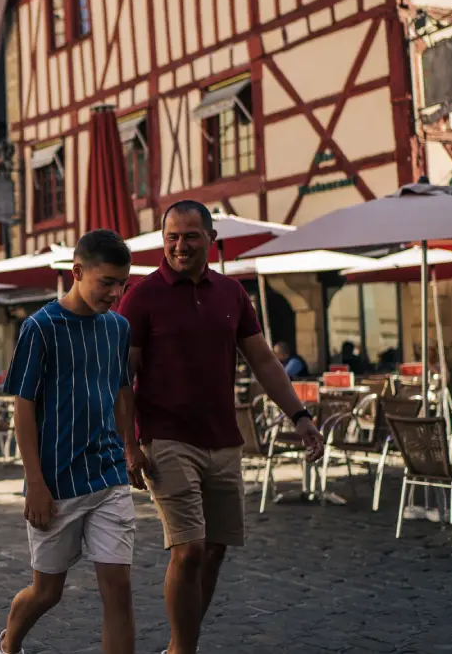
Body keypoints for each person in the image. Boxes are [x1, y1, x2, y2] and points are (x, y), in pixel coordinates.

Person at [118, 201, 324, 654]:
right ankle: (183, 651)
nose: (179, 245)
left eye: (190, 236)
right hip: (166, 439)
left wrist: (301, 416)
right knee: (188, 549)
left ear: (211, 239)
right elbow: (121, 376)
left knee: (214, 550)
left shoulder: (231, 293)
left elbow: (265, 362)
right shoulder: (142, 295)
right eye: (171, 236)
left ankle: (179, 644)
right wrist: (130, 446)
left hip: (223, 440)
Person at [0, 229, 142, 654]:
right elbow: (23, 407)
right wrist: (35, 483)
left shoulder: (118, 327)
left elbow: (121, 389)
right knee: (48, 591)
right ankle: (7, 644)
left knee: (119, 589)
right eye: (107, 282)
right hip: (56, 483)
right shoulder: (40, 328)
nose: (115, 293)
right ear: (77, 272)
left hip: (108, 475)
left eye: (122, 284)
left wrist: (131, 448)